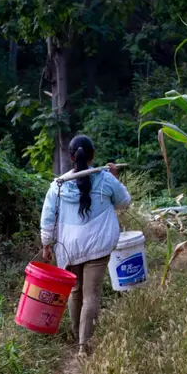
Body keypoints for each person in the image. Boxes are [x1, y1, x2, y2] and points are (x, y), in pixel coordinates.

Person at [40, 135, 131, 355]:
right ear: (93, 156)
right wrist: (115, 177)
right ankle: (84, 346)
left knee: (75, 291)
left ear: (70, 157)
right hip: (98, 246)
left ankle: (76, 336)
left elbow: (48, 218)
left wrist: (46, 245)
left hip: (69, 247)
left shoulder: (58, 186)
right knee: (92, 295)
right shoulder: (105, 179)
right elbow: (124, 203)